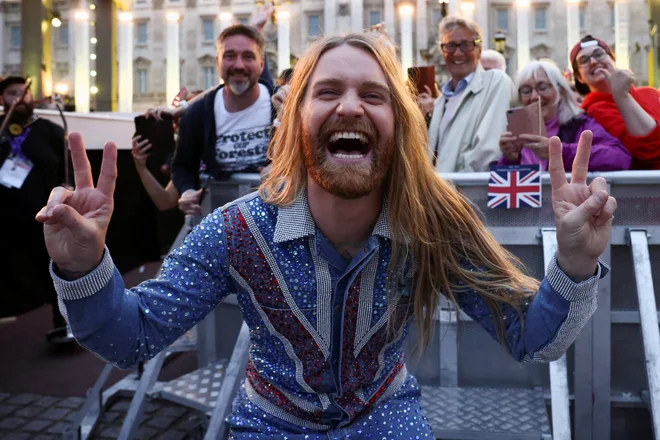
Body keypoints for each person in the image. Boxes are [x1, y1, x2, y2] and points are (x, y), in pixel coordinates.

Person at [39, 33, 615, 438]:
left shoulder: (435, 224)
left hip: (389, 422)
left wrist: (575, 265)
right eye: (327, 91)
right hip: (270, 425)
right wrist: (85, 267)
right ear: (297, 121)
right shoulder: (238, 230)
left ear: (401, 126)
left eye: (373, 95)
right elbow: (131, 338)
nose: (350, 106)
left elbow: (531, 339)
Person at [172, 24, 276, 216]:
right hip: (221, 224)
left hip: (279, 224)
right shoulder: (197, 113)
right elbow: (182, 166)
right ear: (218, 61)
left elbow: (313, 155)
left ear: (261, 64)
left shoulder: (282, 106)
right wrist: (186, 191)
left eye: (248, 56)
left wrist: (284, 167)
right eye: (230, 56)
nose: (238, 65)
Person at [0, 76, 72, 343]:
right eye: (11, 93)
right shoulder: (2, 130)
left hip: (41, 216)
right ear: (2, 99)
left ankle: (61, 322)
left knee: (50, 269)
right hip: (5, 216)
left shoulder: (50, 130)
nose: (19, 98)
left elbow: (66, 171)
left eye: (23, 93)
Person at [498, 60, 631, 171]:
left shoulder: (580, 124)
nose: (534, 97)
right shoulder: (517, 132)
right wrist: (509, 159)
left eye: (542, 87)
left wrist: (557, 152)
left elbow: (619, 158)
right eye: (526, 91)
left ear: (560, 91)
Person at [421, 15, 514, 172]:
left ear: (479, 50)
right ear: (442, 51)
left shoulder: (496, 81)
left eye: (466, 45)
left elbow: (488, 152)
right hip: (438, 193)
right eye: (450, 46)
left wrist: (450, 190)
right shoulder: (441, 100)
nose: (457, 53)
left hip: (466, 193)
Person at [571, 35, 660, 169]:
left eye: (599, 54)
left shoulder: (650, 93)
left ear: (613, 59)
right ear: (579, 77)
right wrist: (621, 95)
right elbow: (648, 149)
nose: (593, 61)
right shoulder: (591, 112)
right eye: (584, 60)